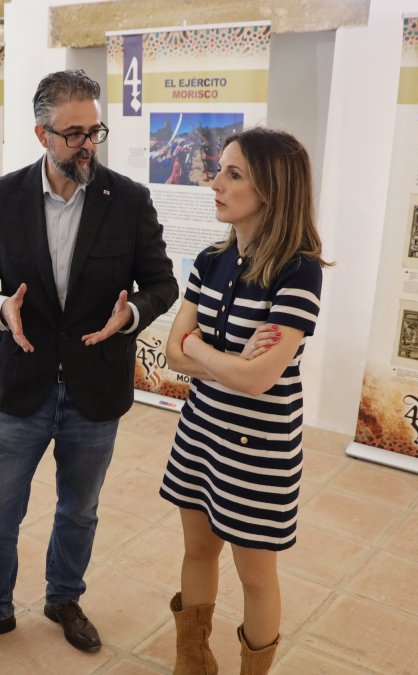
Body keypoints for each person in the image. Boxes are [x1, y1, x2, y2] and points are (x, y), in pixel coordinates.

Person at [0, 69, 180, 655]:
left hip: (96, 389)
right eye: (73, 134)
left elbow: (163, 284)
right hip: (23, 382)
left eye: (95, 131)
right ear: (42, 134)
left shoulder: (129, 200)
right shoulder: (4, 196)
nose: (87, 144)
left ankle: (63, 596)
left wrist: (133, 315)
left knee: (79, 510)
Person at [161, 127, 327, 675]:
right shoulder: (211, 260)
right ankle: (192, 659)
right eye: (220, 170)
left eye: (233, 174)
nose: (215, 183)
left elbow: (259, 380)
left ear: (272, 190)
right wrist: (222, 359)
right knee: (198, 551)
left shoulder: (297, 270)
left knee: (256, 576)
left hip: (259, 446)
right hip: (201, 428)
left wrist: (201, 350)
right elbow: (171, 353)